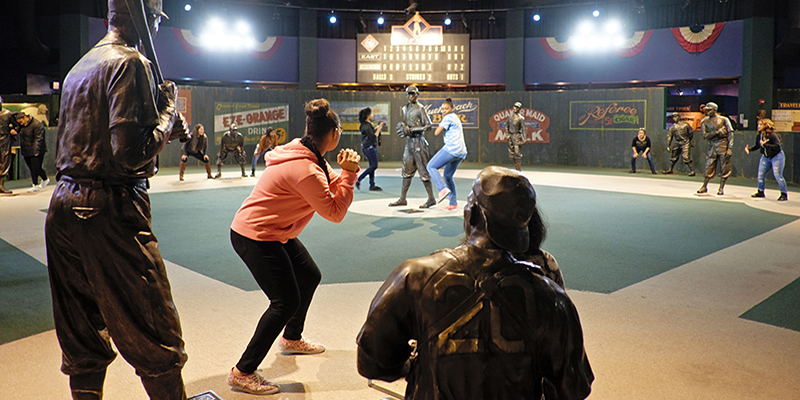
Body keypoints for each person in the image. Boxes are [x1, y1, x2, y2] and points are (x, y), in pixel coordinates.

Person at [44, 1, 190, 399]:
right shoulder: (131, 62)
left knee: (83, 331)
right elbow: (129, 153)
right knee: (156, 330)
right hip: (109, 206)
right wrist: (168, 116)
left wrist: (160, 125)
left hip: (63, 206)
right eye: (158, 20)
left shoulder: (80, 66)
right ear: (149, 19)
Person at [357, 166, 594, 400]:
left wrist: (412, 366)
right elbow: (573, 388)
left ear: (471, 213)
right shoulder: (552, 297)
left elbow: (372, 363)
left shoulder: (412, 276)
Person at [227, 99, 360, 395]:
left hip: (275, 233)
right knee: (285, 301)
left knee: (309, 276)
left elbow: (332, 182)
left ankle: (291, 339)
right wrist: (350, 174)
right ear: (335, 134)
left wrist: (344, 174)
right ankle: (242, 372)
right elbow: (335, 212)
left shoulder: (308, 153)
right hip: (255, 235)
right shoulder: (306, 168)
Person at [389, 85, 436, 208]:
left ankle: (431, 198)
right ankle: (402, 199)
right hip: (409, 143)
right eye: (409, 94)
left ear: (417, 94)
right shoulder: (404, 108)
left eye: (413, 93)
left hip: (419, 142)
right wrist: (405, 128)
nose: (411, 96)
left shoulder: (420, 108)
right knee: (406, 171)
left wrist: (412, 129)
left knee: (423, 172)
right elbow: (406, 126)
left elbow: (428, 126)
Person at [426, 98, 467, 210]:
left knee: (431, 166)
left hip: (452, 149)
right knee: (448, 176)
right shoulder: (455, 118)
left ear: (452, 109)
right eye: (442, 109)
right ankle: (453, 203)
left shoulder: (448, 117)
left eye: (446, 108)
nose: (444, 110)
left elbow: (436, 132)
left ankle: (442, 189)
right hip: (461, 152)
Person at [696, 102, 734, 195]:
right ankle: (704, 186)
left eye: (709, 110)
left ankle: (721, 188)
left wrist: (730, 148)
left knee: (724, 167)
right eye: (706, 110)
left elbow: (730, 133)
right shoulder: (704, 121)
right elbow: (705, 135)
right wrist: (717, 132)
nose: (707, 111)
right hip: (712, 145)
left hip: (723, 145)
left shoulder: (724, 120)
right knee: (709, 166)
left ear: (714, 110)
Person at [746, 118, 788, 201]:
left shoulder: (772, 135)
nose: (758, 126)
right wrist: (749, 149)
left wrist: (766, 145)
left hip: (777, 156)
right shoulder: (759, 136)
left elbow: (777, 147)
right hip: (765, 157)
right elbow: (758, 146)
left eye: (761, 125)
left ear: (766, 126)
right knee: (760, 175)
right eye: (758, 124)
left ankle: (784, 194)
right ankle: (760, 191)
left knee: (777, 175)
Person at [15, 112, 49, 192]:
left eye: (21, 121)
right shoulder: (22, 126)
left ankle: (44, 179)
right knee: (31, 168)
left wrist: (36, 150)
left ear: (26, 117)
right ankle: (36, 184)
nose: (21, 123)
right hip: (26, 149)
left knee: (36, 167)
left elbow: (39, 138)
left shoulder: (37, 124)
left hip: (37, 150)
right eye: (19, 122)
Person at [356, 107, 385, 191]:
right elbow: (373, 137)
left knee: (371, 166)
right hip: (370, 148)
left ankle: (372, 185)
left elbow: (371, 134)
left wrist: (377, 128)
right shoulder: (367, 125)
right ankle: (359, 179)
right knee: (374, 166)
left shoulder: (365, 125)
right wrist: (379, 127)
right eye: (371, 113)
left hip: (367, 148)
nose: (373, 115)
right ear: (368, 115)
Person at [662, 111, 695, 176]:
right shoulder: (672, 127)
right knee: (673, 156)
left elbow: (691, 133)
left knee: (686, 157)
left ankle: (692, 171)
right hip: (678, 142)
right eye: (673, 117)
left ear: (678, 117)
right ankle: (670, 170)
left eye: (675, 116)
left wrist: (689, 141)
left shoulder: (685, 125)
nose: (674, 118)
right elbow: (669, 137)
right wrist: (668, 146)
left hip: (685, 142)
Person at [0, 96, 18, 194]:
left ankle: (1, 185)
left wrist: (13, 129)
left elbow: (17, 124)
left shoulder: (7, 114)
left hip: (4, 140)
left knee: (4, 161)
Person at [506, 101, 526, 171]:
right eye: (514, 107)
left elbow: (524, 128)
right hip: (511, 136)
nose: (515, 108)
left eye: (517, 107)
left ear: (519, 109)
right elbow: (507, 126)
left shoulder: (520, 118)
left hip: (517, 136)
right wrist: (507, 134)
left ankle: (518, 170)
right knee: (511, 154)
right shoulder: (510, 117)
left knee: (517, 153)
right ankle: (516, 168)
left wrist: (525, 139)